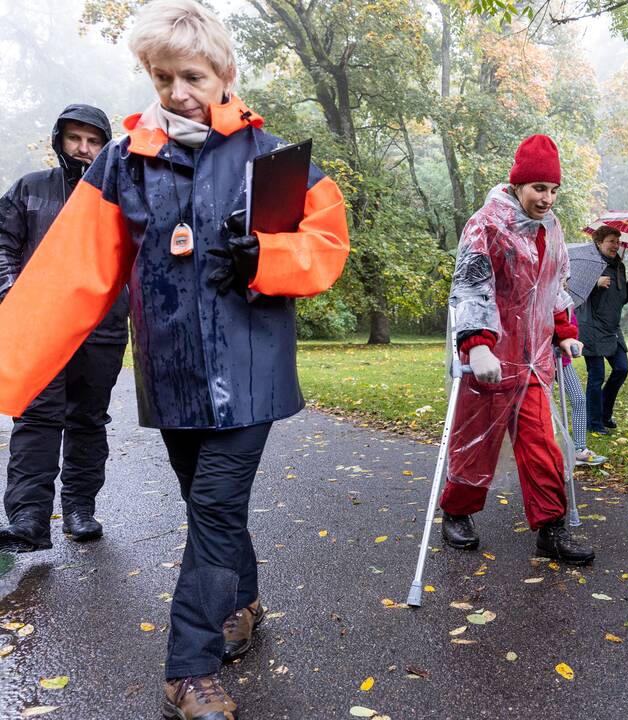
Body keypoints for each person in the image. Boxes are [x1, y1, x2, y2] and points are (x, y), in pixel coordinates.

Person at [0, 1, 350, 717]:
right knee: (207, 507)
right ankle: (243, 601)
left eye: (191, 75)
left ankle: (187, 671)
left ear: (224, 72)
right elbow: (71, 272)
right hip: (172, 377)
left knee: (216, 509)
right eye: (162, 78)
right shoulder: (123, 163)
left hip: (251, 374)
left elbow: (329, 245)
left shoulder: (274, 158)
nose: (178, 91)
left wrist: (271, 256)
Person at [439, 133, 595, 565]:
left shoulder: (551, 228)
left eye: (553, 190)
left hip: (533, 359)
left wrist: (563, 329)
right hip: (491, 356)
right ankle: (457, 512)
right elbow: (471, 286)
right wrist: (477, 345)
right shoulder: (487, 224)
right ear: (518, 185)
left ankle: (551, 527)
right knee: (475, 440)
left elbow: (554, 286)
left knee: (541, 442)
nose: (547, 199)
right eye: (539, 189)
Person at [0, 104, 129, 552]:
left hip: (102, 327)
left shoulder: (120, 196)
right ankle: (29, 518)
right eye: (75, 139)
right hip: (40, 325)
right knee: (36, 416)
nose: (83, 149)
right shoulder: (30, 188)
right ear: (59, 140)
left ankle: (79, 509)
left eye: (93, 141)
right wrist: (14, 294)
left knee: (87, 419)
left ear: (106, 146)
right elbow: (3, 243)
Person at [577, 225, 628, 434]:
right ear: (599, 243)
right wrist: (594, 282)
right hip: (591, 327)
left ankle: (604, 414)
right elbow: (572, 290)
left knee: (622, 368)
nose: (616, 246)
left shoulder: (619, 267)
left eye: (618, 242)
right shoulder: (589, 264)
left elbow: (620, 299)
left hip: (612, 328)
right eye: (611, 241)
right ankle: (594, 423)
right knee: (597, 376)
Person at [554, 309, 607, 466]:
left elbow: (572, 331)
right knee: (543, 408)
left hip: (562, 362)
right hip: (542, 362)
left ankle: (579, 449)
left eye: (564, 282)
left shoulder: (567, 307)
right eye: (560, 282)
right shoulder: (542, 298)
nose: (562, 284)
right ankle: (546, 452)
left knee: (579, 399)